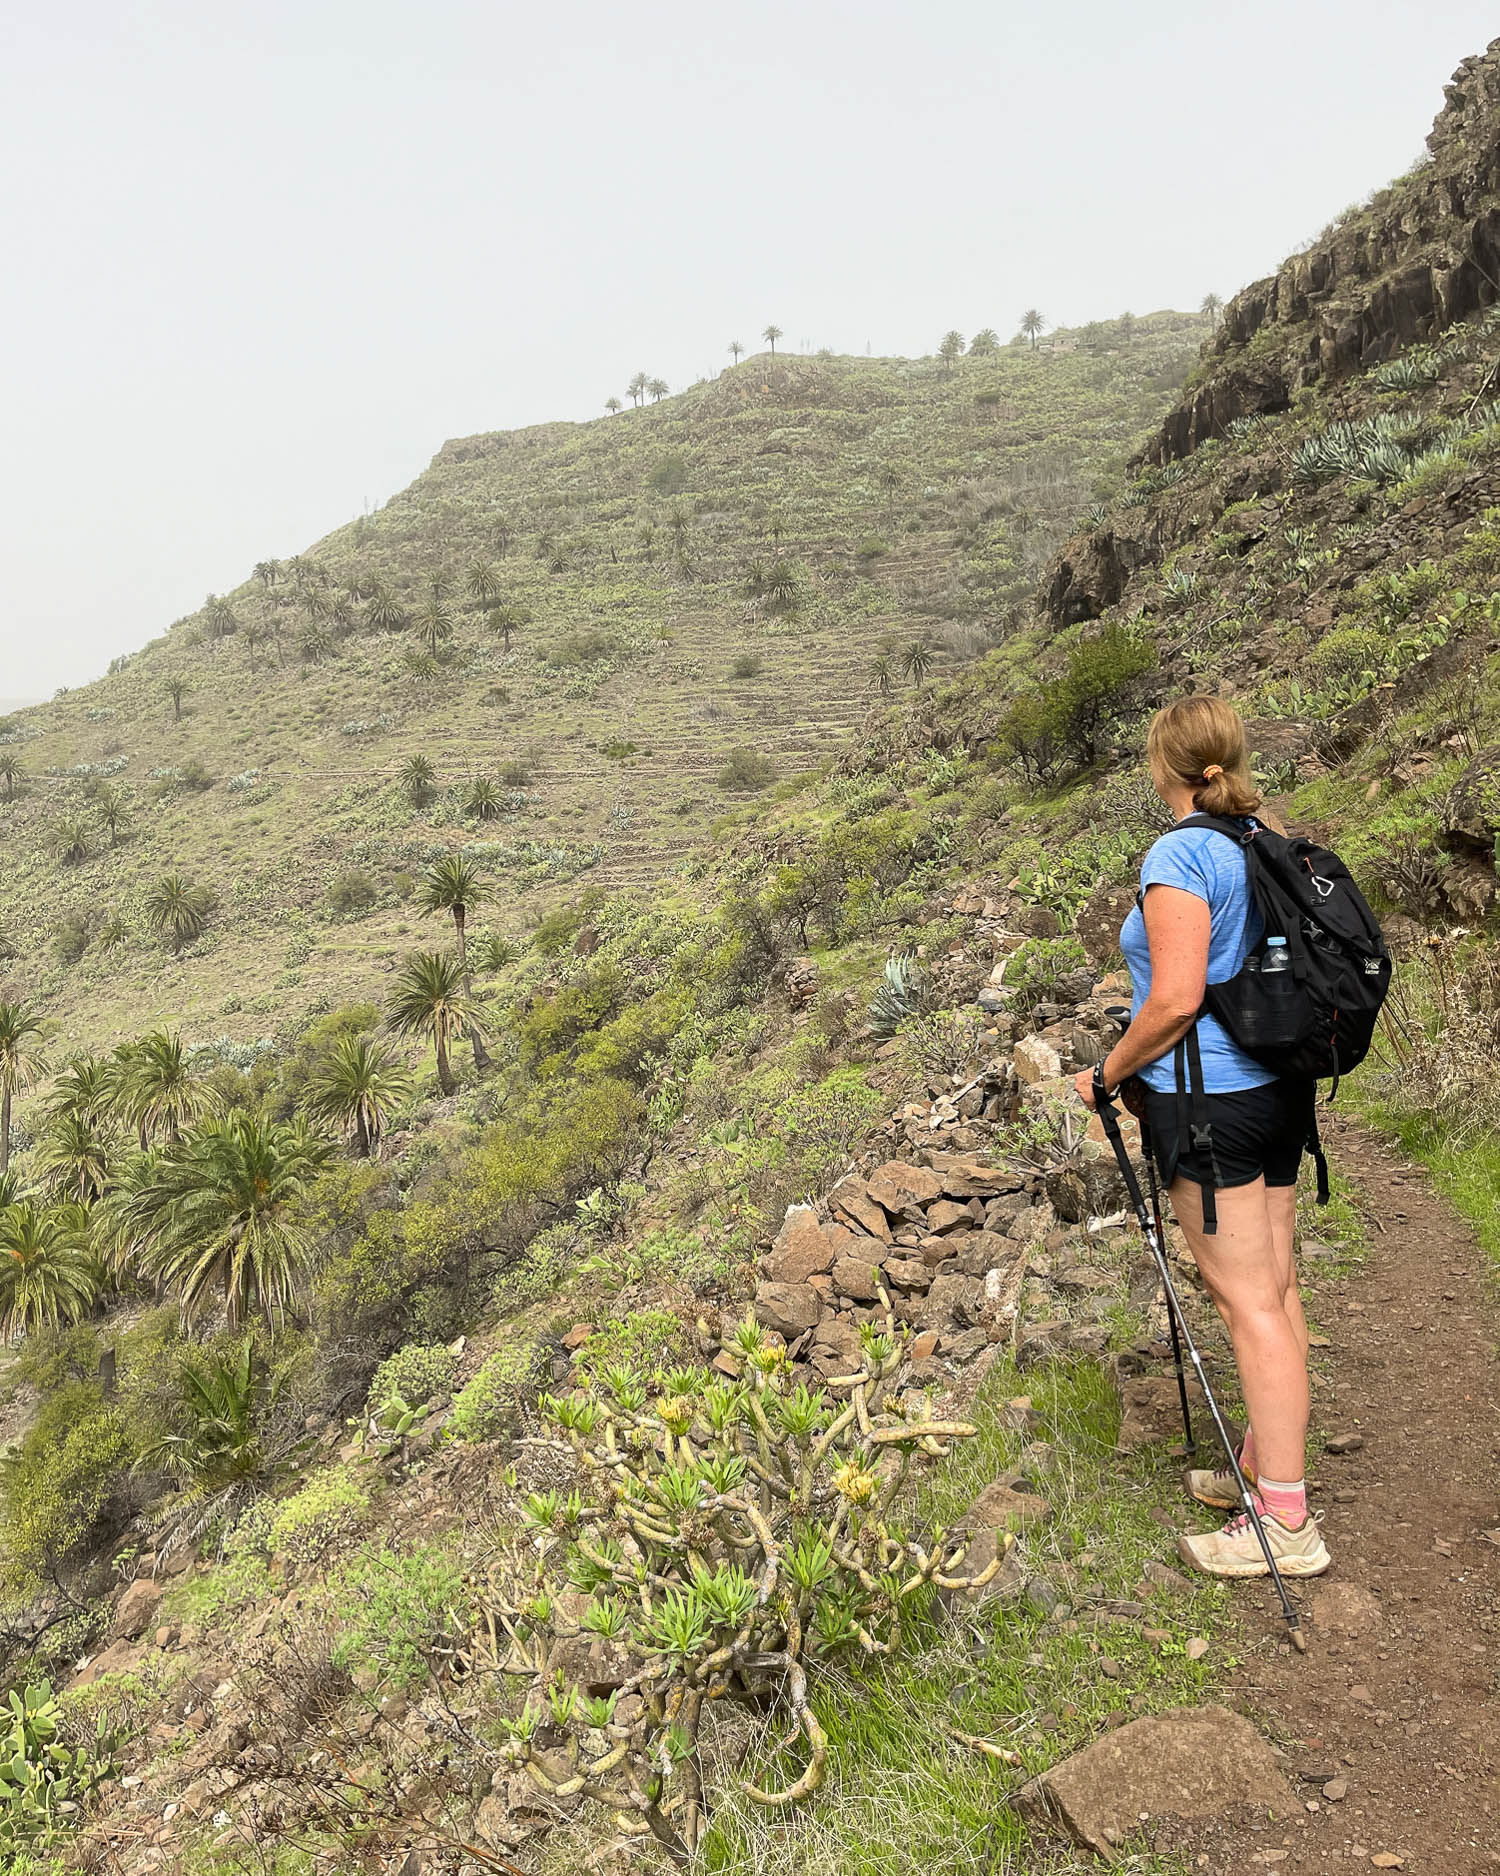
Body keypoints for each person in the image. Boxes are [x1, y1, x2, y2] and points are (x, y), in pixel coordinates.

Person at [1075, 695, 1330, 1579]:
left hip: (1211, 1098)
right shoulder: (1263, 834)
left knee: (1245, 1302)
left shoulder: (1181, 850)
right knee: (1277, 1287)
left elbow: (1177, 999)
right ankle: (1266, 1467)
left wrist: (1108, 1073)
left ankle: (1286, 1524)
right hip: (1276, 1091)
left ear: (1165, 767)